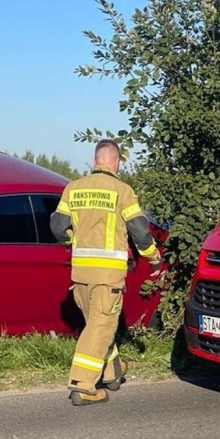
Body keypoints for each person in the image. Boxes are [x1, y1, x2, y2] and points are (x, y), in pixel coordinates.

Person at [50, 139, 163, 406]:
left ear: (94, 162)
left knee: (98, 325)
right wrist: (154, 260)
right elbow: (140, 232)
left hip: (80, 275)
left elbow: (57, 227)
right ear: (117, 164)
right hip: (108, 275)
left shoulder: (73, 188)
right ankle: (83, 385)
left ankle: (112, 372)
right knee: (100, 327)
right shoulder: (122, 190)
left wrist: (72, 241)